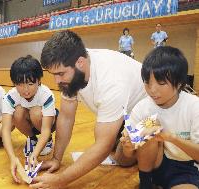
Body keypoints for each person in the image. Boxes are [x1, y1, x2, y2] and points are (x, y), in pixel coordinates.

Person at [29, 30, 147, 189]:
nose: (57, 80)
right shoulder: (72, 70)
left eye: (60, 74)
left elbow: (103, 146)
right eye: (53, 74)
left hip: (149, 114)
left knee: (122, 158)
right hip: (122, 112)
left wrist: (60, 180)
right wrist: (57, 158)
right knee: (111, 141)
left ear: (80, 63)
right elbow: (66, 117)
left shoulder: (111, 81)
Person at [121, 46, 199, 189]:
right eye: (147, 82)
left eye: (161, 83)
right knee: (149, 125)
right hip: (154, 166)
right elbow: (128, 154)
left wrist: (170, 138)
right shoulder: (142, 107)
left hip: (186, 169)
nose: (152, 90)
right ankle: (146, 184)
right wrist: (128, 145)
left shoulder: (194, 106)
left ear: (180, 83)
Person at [2, 55, 58, 183]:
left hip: (45, 123)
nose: (25, 90)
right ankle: (32, 139)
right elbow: (5, 130)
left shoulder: (46, 94)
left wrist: (35, 155)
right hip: (27, 120)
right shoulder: (10, 97)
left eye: (30, 83)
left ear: (39, 81)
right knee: (17, 112)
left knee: (36, 112)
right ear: (14, 83)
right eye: (20, 84)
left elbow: (46, 129)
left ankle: (48, 141)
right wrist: (12, 158)